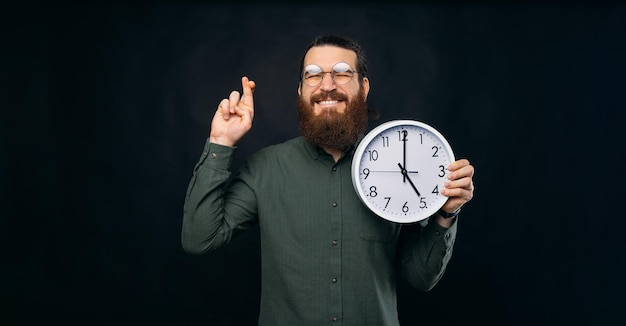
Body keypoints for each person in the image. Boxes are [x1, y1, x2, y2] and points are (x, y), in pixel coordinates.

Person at [182, 34, 475, 325]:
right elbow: (200, 239)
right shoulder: (265, 167)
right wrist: (220, 142)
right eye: (313, 75)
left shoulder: (398, 164)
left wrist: (446, 213)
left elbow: (421, 277)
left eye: (342, 73)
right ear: (300, 90)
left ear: (364, 87)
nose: (327, 85)